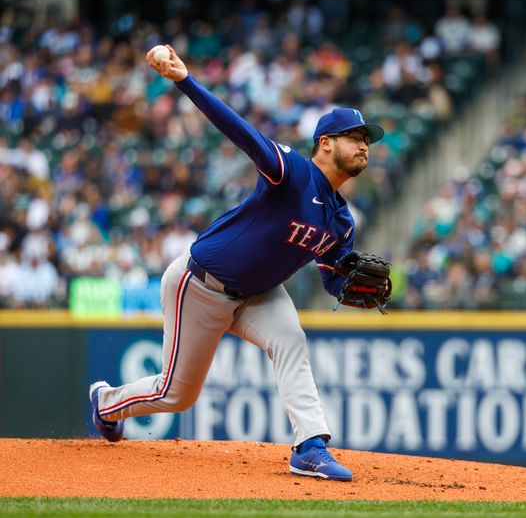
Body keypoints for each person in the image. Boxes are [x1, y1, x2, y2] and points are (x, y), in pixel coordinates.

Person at [88, 45, 390, 482]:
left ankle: (310, 447)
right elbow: (243, 133)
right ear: (325, 144)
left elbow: (331, 278)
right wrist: (184, 80)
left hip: (260, 293)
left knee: (291, 340)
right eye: (356, 137)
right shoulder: (293, 173)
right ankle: (106, 402)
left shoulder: (342, 220)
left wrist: (349, 287)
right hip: (200, 284)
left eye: (368, 140)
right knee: (176, 394)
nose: (365, 145)